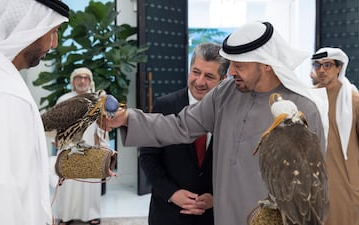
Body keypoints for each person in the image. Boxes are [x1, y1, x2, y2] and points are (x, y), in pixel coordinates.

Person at [108, 21, 329, 225]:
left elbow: (311, 188)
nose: (231, 72)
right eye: (231, 64)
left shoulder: (302, 109)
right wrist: (127, 118)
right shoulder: (226, 93)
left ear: (266, 65)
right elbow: (180, 126)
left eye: (239, 66)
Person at [0, 0, 69, 224]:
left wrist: (58, 166)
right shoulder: (5, 96)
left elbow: (12, 170)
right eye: (53, 31)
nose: (55, 43)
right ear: (28, 27)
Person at [139, 42, 229, 225]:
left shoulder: (230, 113)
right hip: (168, 212)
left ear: (223, 79)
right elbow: (148, 156)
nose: (200, 81)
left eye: (209, 76)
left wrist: (216, 196)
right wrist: (172, 193)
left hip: (213, 215)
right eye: (196, 72)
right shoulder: (164, 106)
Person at [311, 47, 359, 225]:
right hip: (314, 176)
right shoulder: (309, 98)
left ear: (339, 68)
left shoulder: (355, 101)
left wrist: (353, 165)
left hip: (345, 178)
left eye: (327, 65)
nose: (322, 70)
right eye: (317, 65)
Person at [54, 67, 108, 225]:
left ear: (90, 81)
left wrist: (102, 147)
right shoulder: (63, 100)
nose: (82, 81)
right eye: (79, 77)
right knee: (68, 186)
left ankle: (92, 215)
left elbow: (103, 126)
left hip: (90, 148)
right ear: (73, 81)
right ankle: (65, 216)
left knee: (89, 186)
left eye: (86, 78)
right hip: (68, 149)